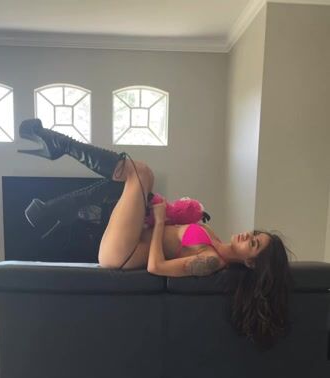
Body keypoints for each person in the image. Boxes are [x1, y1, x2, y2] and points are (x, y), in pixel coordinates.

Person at [19, 119, 293, 349]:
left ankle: (59, 147)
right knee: (134, 182)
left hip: (122, 254)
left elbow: (156, 266)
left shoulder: (211, 261)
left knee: (140, 173)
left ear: (251, 262)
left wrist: (160, 222)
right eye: (254, 234)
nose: (246, 235)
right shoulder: (215, 239)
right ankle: (51, 210)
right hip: (134, 238)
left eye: (253, 243)